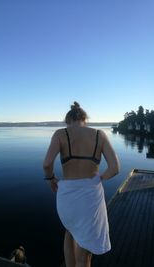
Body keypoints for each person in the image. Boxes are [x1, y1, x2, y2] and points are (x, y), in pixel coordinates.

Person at [43, 101, 120, 267]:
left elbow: (47, 164)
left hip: (66, 196)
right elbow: (115, 168)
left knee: (70, 231)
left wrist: (51, 179)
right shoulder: (100, 135)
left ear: (68, 120)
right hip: (90, 196)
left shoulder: (60, 134)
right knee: (85, 253)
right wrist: (99, 178)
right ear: (85, 118)